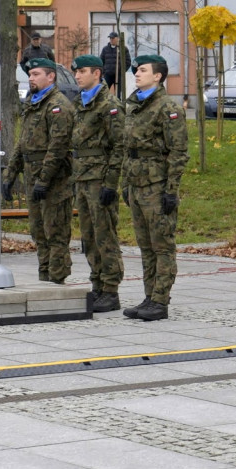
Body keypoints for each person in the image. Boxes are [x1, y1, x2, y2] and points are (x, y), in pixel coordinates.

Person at [121, 55, 189, 321]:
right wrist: (125, 183)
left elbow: (178, 152)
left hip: (157, 186)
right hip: (137, 184)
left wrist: (171, 190)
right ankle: (149, 297)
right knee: (146, 246)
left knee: (162, 245)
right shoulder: (135, 105)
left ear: (158, 76)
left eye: (142, 70)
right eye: (136, 70)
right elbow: (128, 149)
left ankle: (160, 300)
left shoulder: (168, 108)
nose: (137, 74)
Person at [2, 58, 74, 283]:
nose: (31, 79)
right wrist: (9, 175)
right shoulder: (33, 103)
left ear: (50, 76)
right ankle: (45, 278)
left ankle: (57, 280)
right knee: (39, 232)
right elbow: (22, 143)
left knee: (55, 232)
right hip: (33, 177)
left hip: (54, 180)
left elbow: (58, 147)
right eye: (30, 75)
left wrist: (44, 180)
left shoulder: (58, 105)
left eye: (35, 74)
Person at [70, 54, 125, 313]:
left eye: (82, 71)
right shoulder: (79, 102)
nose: (77, 76)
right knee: (89, 237)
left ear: (97, 74)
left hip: (100, 179)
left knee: (105, 236)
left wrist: (110, 183)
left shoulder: (109, 104)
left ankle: (111, 290)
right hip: (82, 178)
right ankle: (98, 285)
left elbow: (119, 145)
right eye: (76, 72)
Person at [101, 32, 131, 96]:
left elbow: (128, 62)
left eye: (113, 38)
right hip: (107, 75)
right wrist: (103, 72)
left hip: (118, 75)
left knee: (118, 94)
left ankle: (117, 102)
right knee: (104, 92)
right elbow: (101, 61)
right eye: (110, 38)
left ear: (117, 38)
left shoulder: (123, 49)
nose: (111, 40)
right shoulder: (105, 49)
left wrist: (122, 71)